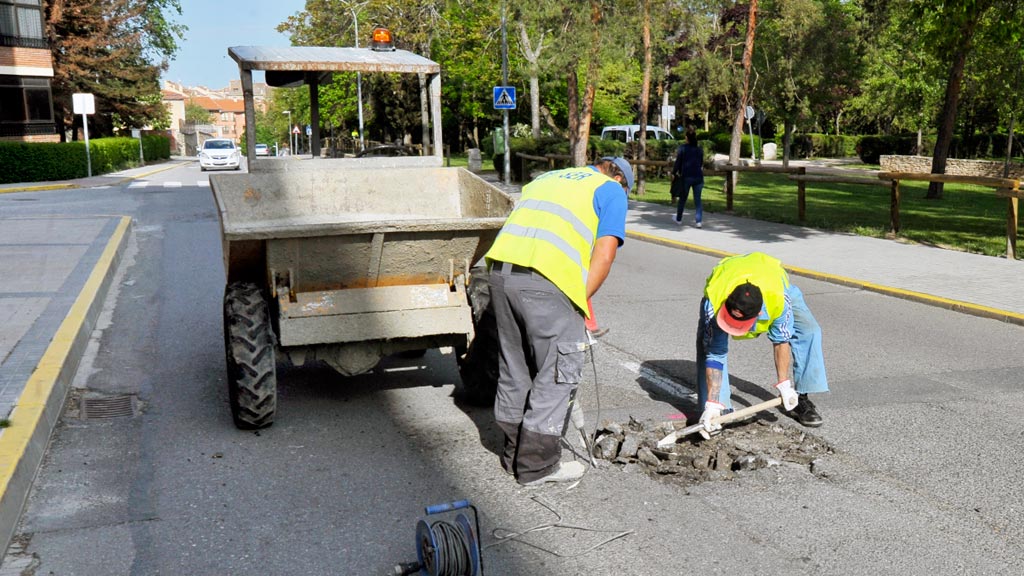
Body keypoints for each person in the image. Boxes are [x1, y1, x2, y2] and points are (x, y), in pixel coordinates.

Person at [485, 157, 632, 486]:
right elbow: (604, 255)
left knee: (515, 368)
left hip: (500, 275)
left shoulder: (548, 178)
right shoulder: (610, 189)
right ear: (619, 176)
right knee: (557, 375)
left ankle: (513, 457)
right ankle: (537, 468)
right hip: (546, 283)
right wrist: (578, 303)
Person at [695, 252, 828, 438]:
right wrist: (712, 402)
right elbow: (715, 355)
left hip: (775, 284)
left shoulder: (779, 302)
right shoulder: (715, 303)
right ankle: (718, 410)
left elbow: (781, 341)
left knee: (809, 330)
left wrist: (784, 385)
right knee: (708, 346)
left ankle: (798, 398)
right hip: (729, 279)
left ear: (758, 316)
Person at [671, 127, 704, 228]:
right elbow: (701, 163)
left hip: (687, 177)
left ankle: (679, 219)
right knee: (697, 200)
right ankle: (698, 221)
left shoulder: (683, 148)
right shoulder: (699, 150)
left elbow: (678, 162)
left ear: (686, 138)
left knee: (683, 198)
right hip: (698, 176)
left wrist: (674, 172)